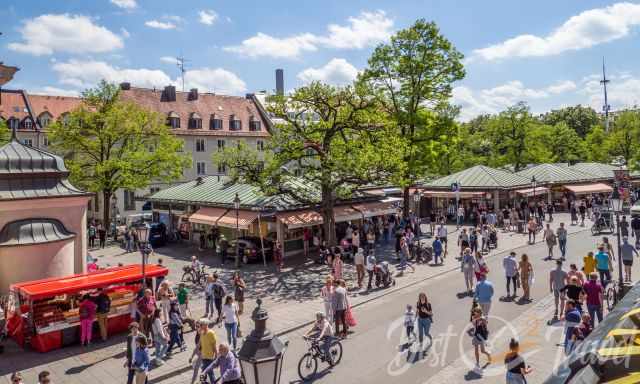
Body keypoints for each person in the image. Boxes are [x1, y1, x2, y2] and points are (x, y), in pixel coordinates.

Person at [470, 307, 491, 372]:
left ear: (479, 312)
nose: (474, 313)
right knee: (476, 350)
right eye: (474, 312)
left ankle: (488, 355)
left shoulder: (483, 318)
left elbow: (486, 323)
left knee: (482, 351)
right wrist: (476, 320)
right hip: (476, 335)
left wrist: (482, 320)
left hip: (481, 336)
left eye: (475, 312)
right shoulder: (474, 318)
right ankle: (477, 363)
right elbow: (473, 324)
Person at [199, 319, 218, 384]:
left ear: (206, 325)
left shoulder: (211, 333)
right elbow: (202, 344)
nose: (200, 326)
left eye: (201, 324)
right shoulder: (201, 333)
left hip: (209, 357)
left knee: (207, 373)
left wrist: (216, 355)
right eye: (200, 324)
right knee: (207, 373)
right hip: (204, 356)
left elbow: (214, 345)